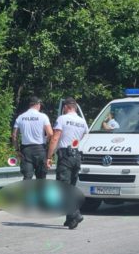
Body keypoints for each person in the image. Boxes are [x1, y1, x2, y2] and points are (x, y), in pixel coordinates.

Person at [46, 97, 88, 229]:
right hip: (77, 156)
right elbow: (83, 137)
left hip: (65, 156)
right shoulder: (82, 122)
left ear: (66, 107)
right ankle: (70, 220)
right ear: (75, 107)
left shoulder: (62, 119)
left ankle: (75, 214)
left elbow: (55, 138)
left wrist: (49, 156)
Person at [12, 96, 53, 180]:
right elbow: (50, 133)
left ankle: (27, 193)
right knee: (41, 179)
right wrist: (47, 141)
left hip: (26, 150)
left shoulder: (20, 117)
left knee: (27, 178)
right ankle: (41, 193)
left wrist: (17, 150)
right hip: (40, 149)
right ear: (38, 104)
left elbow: (14, 135)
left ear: (30, 105)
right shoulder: (43, 116)